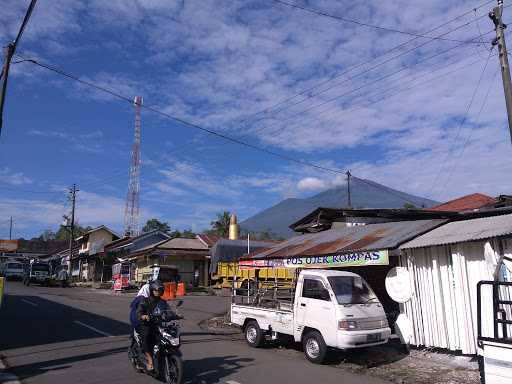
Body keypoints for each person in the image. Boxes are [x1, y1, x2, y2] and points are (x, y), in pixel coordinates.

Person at [136, 280, 170, 372]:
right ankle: (150, 361)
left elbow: (168, 312)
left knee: (167, 338)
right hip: (146, 325)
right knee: (147, 339)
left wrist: (177, 315)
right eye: (155, 290)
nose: (157, 292)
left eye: (159, 290)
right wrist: (143, 316)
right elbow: (139, 312)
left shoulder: (163, 302)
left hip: (158, 325)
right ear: (151, 290)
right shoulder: (145, 301)